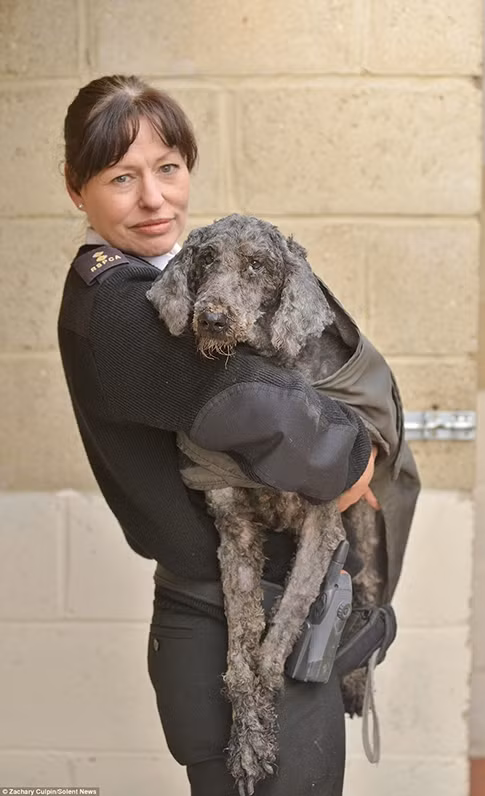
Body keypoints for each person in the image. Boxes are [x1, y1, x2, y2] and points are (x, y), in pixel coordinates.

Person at [57, 75, 398, 796]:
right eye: (122, 178)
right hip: (226, 619)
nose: (155, 199)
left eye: (168, 168)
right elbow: (271, 415)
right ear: (75, 188)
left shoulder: (175, 278)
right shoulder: (117, 307)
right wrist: (356, 455)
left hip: (258, 610)